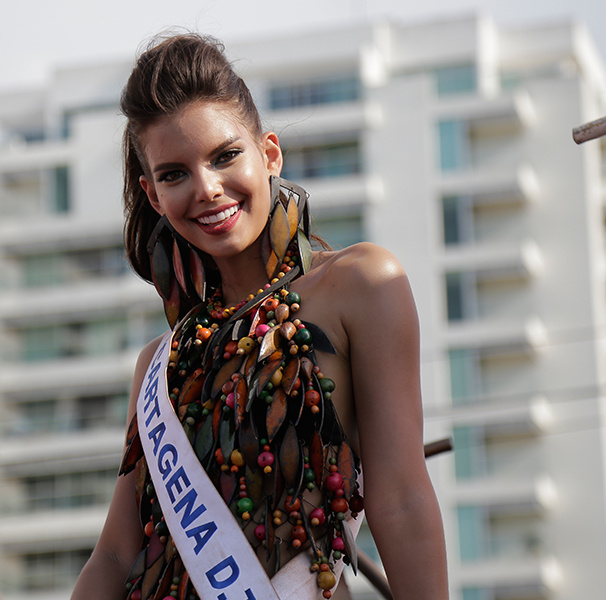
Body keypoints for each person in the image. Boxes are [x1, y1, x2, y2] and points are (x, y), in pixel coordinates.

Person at [71, 33, 448, 600]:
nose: (207, 189)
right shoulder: (158, 364)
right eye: (174, 174)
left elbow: (401, 496)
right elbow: (117, 553)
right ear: (152, 195)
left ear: (269, 154)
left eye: (225, 156)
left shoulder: (362, 284)